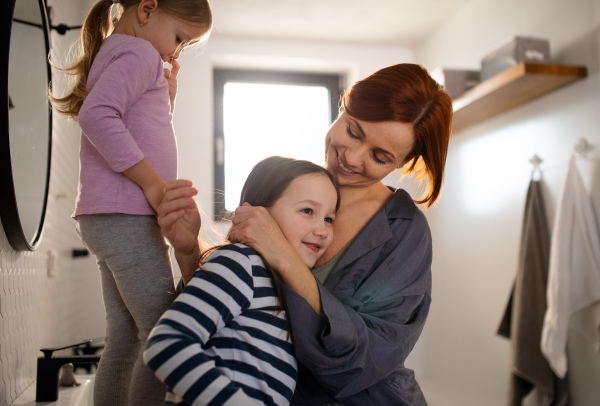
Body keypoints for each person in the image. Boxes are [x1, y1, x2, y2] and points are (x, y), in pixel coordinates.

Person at [157, 63, 453, 406]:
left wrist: (282, 254)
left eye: (379, 156)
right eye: (353, 131)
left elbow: (367, 358)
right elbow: (232, 307)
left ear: (402, 163)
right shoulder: (292, 186)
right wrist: (188, 253)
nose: (352, 157)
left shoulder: (404, 233)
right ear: (343, 107)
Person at [48, 1, 212, 405]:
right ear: (147, 9)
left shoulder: (121, 49)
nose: (175, 53)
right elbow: (97, 116)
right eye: (179, 38)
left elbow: (137, 124)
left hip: (107, 216)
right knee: (163, 332)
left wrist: (167, 99)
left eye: (184, 47)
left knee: (123, 334)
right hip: (127, 214)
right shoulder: (139, 52)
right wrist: (156, 188)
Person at [143, 156, 340, 406]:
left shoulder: (279, 284)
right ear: (257, 214)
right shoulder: (242, 262)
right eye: (307, 211)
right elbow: (167, 342)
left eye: (329, 219)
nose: (322, 230)